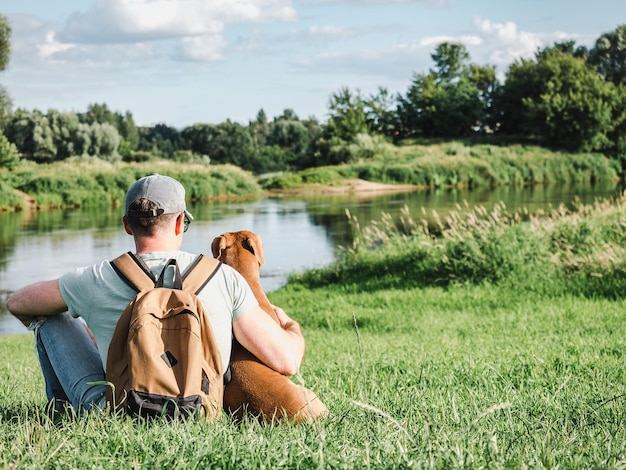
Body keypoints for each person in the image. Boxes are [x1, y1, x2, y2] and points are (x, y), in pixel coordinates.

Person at [6, 174, 305, 415]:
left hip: (117, 411)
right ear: (179, 223)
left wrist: (96, 333)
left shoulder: (94, 278)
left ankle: (60, 412)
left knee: (48, 317)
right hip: (201, 410)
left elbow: (17, 303)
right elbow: (286, 361)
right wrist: (293, 328)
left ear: (127, 225)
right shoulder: (222, 276)